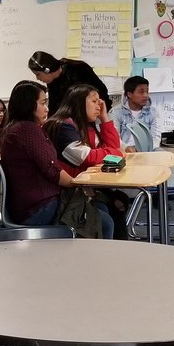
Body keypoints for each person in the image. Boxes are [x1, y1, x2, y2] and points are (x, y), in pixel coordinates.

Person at [43, 84, 122, 239]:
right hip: (65, 193)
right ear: (79, 102)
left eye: (100, 102)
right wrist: (114, 153)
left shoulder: (86, 126)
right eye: (94, 101)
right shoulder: (63, 126)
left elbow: (113, 151)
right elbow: (87, 158)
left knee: (115, 205)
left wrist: (105, 118)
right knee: (107, 216)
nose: (99, 106)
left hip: (83, 188)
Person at [0, 80, 77, 226]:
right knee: (104, 221)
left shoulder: (15, 127)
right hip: (39, 206)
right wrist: (79, 184)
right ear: (28, 105)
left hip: (30, 204)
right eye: (43, 103)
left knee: (100, 210)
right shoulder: (26, 130)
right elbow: (53, 171)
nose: (46, 109)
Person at [28, 50, 111, 113]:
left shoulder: (78, 69)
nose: (37, 78)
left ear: (47, 70)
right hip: (74, 120)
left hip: (97, 114)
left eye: (38, 74)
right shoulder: (52, 81)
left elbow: (101, 91)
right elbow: (54, 107)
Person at [112, 75, 161, 151]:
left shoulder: (153, 113)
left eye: (147, 91)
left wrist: (143, 149)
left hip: (147, 150)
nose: (146, 95)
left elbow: (156, 138)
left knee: (163, 154)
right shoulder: (116, 112)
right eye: (141, 92)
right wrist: (126, 148)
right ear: (129, 94)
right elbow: (114, 138)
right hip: (124, 151)